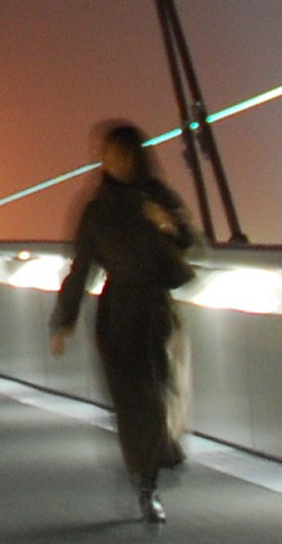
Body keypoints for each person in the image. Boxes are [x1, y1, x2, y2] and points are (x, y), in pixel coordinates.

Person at [47, 121, 196, 522]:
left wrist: (167, 222)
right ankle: (147, 483)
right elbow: (81, 270)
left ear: (137, 156)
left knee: (159, 392)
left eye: (120, 154)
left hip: (156, 314)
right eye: (108, 155)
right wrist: (64, 320)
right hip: (117, 317)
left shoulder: (158, 197)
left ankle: (153, 466)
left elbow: (188, 238)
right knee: (132, 401)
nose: (112, 162)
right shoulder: (96, 210)